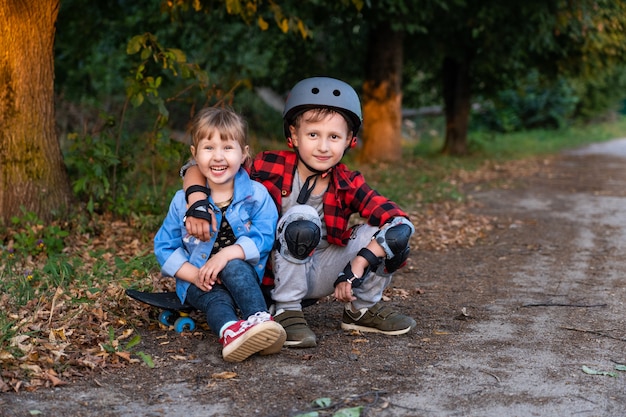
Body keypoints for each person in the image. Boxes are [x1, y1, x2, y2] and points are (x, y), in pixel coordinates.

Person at [182, 77, 416, 348]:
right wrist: (197, 202)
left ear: (350, 141)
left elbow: (398, 221)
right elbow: (199, 165)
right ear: (293, 135)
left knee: (392, 239)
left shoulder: (348, 182)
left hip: (325, 270)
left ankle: (361, 310)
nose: (323, 147)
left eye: (334, 137)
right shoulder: (268, 165)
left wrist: (360, 262)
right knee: (302, 216)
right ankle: (287, 310)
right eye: (313, 134)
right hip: (273, 271)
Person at [154, 107, 285, 361]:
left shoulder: (255, 195)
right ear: (194, 155)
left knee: (235, 266)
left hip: (242, 275)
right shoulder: (183, 202)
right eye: (208, 148)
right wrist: (193, 275)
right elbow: (164, 246)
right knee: (215, 300)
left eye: (227, 148)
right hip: (198, 277)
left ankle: (259, 320)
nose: (218, 157)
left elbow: (266, 235)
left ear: (243, 153)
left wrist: (227, 254)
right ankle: (230, 333)